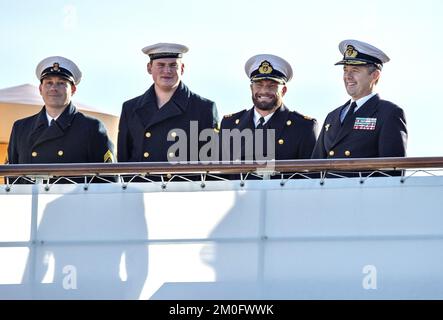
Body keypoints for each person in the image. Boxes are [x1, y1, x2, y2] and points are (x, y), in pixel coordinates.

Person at [117, 43, 219, 165]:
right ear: (149, 68)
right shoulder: (130, 108)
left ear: (182, 69)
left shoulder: (204, 109)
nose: (167, 71)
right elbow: (123, 161)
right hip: (140, 183)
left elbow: (211, 162)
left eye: (173, 65)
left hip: (183, 183)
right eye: (161, 65)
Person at [7, 56, 114, 170]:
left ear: (73, 90)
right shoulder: (21, 128)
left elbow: (109, 178)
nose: (54, 88)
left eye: (61, 83)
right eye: (49, 83)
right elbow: (12, 176)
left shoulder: (91, 128)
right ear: (40, 89)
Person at [311, 40, 407, 161]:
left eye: (355, 70)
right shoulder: (332, 116)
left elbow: (393, 171)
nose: (348, 76)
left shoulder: (389, 113)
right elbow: (315, 167)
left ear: (375, 75)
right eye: (345, 70)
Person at [220, 54, 318, 165]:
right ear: (251, 88)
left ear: (284, 90)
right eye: (258, 85)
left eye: (272, 86)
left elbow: (310, 178)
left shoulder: (303, 127)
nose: (264, 91)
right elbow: (218, 175)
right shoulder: (230, 124)